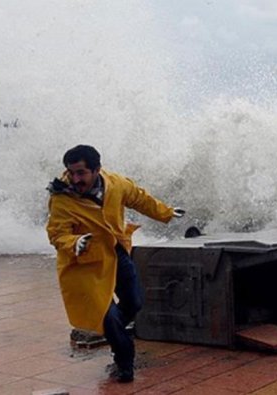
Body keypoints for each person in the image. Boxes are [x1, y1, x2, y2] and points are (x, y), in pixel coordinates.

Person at [45, 145, 184, 383]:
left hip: (116, 251)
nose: (75, 179)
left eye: (81, 173)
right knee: (107, 316)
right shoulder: (61, 198)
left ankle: (113, 331)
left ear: (97, 169)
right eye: (71, 172)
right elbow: (57, 234)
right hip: (84, 263)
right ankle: (124, 362)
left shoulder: (116, 184)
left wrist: (166, 213)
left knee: (134, 302)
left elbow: (140, 199)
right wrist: (74, 242)